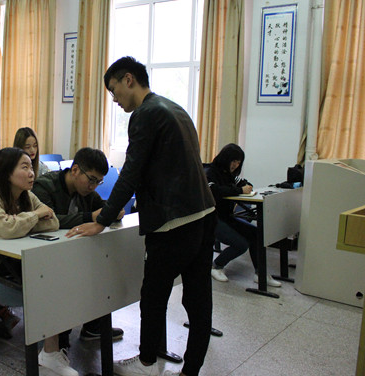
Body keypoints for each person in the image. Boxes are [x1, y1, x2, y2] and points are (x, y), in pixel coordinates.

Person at [66, 57, 216, 376]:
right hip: (204, 213)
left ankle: (147, 362)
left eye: (114, 90)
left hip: (174, 221)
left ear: (129, 79)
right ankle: (191, 370)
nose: (114, 99)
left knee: (153, 296)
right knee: (198, 298)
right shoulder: (175, 109)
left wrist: (102, 219)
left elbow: (131, 172)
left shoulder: (145, 114)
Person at [0, 147, 79, 376]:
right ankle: (49, 355)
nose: (32, 173)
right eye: (24, 167)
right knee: (47, 294)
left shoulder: (26, 196)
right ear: (7, 173)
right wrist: (33, 217)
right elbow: (5, 228)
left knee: (58, 284)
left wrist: (21, 222)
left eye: (31, 167)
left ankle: (50, 353)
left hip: (12, 269)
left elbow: (52, 222)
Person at [32, 147, 125, 346]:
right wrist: (90, 216)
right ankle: (59, 340)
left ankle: (93, 326)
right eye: (91, 179)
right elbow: (48, 222)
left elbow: (102, 208)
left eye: (98, 182)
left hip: (71, 253)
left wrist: (113, 212)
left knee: (103, 267)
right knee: (67, 278)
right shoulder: (44, 186)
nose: (93, 186)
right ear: (75, 170)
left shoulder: (87, 191)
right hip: (44, 257)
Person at [205, 143, 282, 287]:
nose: (235, 165)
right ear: (226, 159)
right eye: (233, 161)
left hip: (226, 217)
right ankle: (216, 266)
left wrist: (244, 187)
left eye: (238, 162)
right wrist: (239, 190)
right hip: (212, 219)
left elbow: (244, 183)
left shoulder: (230, 175)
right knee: (241, 244)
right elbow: (214, 191)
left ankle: (261, 274)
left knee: (256, 234)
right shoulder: (210, 172)